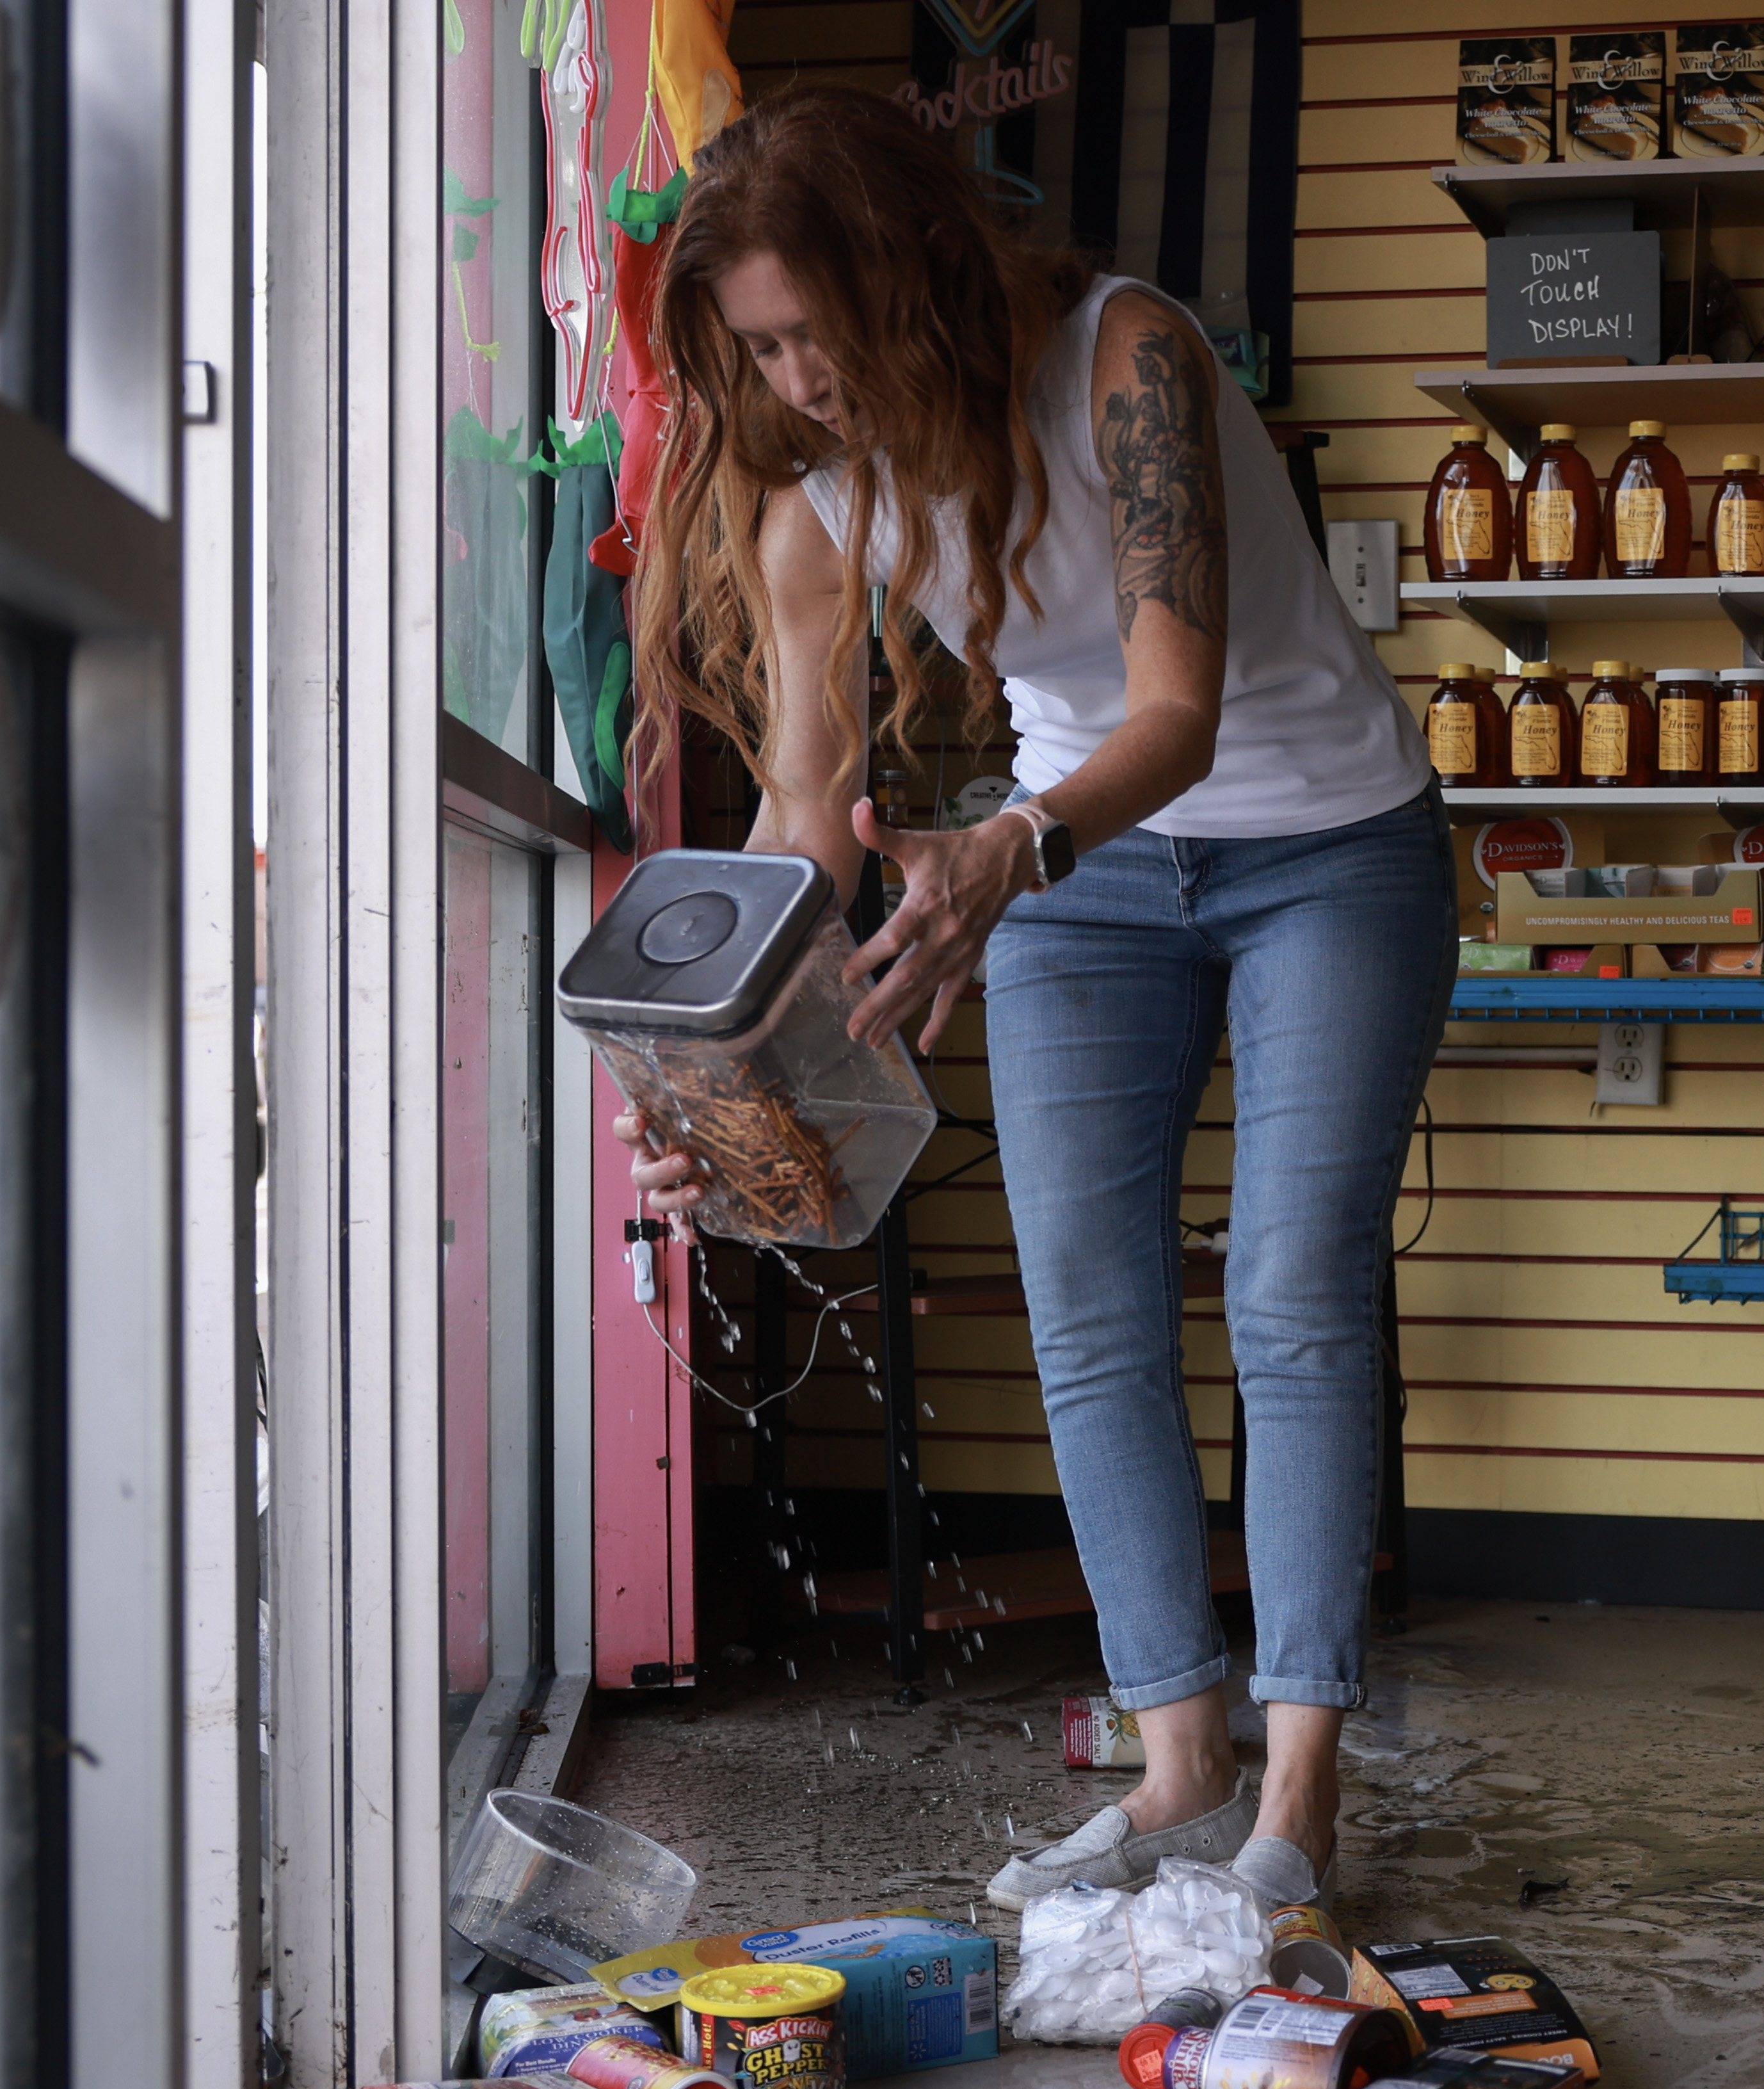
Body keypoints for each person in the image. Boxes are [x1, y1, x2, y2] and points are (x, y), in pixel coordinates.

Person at [613, 87, 1445, 1914]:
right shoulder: (816, 494)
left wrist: (1004, 851)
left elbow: (1179, 717)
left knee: (1293, 1287)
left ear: (912, 269)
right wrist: (707, 1074)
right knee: (1087, 1307)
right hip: (1074, 873)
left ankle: (1302, 1796)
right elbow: (804, 809)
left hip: (1323, 846)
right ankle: (1178, 1763)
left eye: (815, 330)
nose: (799, 379)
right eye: (758, 346)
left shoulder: (1121, 357)